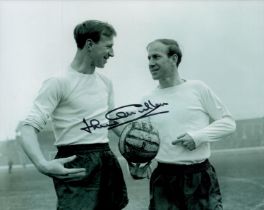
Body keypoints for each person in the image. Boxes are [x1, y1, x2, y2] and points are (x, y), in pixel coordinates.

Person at [19, 20, 128, 210]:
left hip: (106, 158)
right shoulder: (58, 82)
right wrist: (42, 165)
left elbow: (111, 121)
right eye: (108, 46)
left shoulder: (105, 82)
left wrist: (136, 152)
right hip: (76, 162)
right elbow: (27, 128)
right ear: (89, 44)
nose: (112, 53)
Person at [135, 39, 236, 210]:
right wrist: (140, 165)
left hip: (199, 176)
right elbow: (146, 140)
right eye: (149, 58)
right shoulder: (147, 100)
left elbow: (228, 123)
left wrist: (197, 137)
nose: (151, 63)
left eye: (156, 57)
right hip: (164, 179)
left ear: (174, 59)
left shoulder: (197, 88)